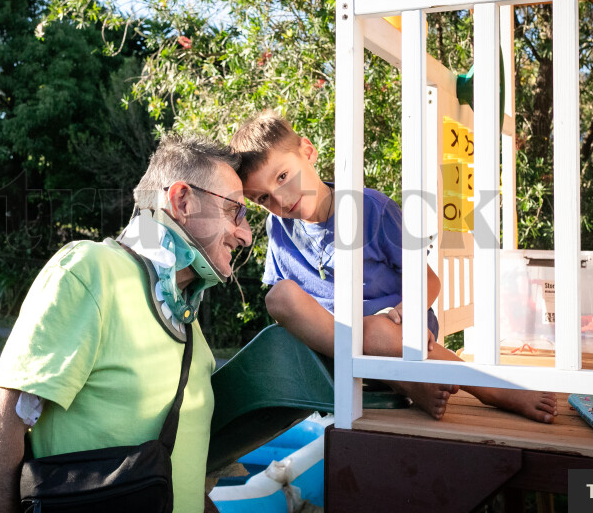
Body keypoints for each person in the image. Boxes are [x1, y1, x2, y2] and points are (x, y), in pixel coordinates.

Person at [0, 133, 252, 513]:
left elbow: (168, 471)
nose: (245, 235)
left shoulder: (188, 325)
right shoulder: (91, 271)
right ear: (182, 201)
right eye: (234, 211)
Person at [229, 113, 556, 423]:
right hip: (335, 347)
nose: (280, 200)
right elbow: (290, 311)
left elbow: (429, 280)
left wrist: (407, 312)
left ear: (308, 151)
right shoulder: (278, 229)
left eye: (283, 177)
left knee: (375, 332)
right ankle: (408, 384)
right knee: (278, 296)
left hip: (399, 335)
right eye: (263, 199)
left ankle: (492, 388)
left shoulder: (371, 209)